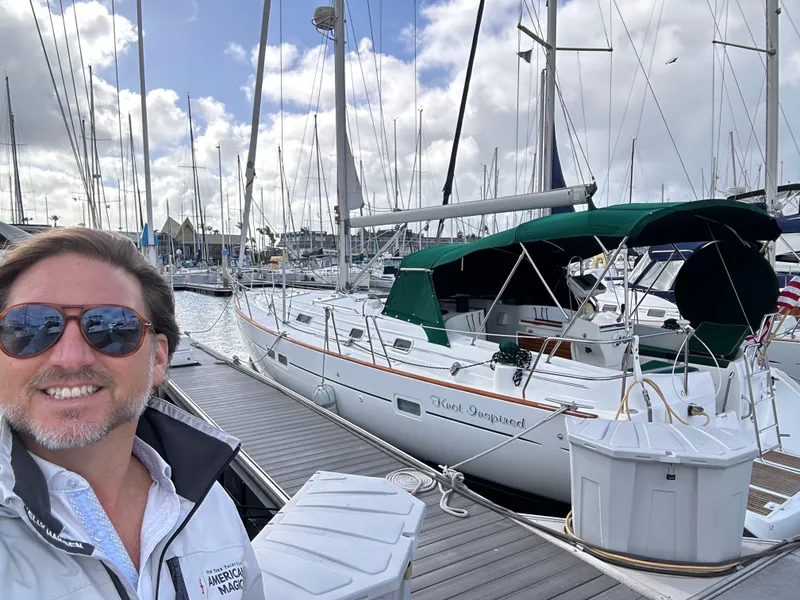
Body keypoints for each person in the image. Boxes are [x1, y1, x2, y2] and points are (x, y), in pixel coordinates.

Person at [0, 228, 265, 599]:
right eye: (27, 327)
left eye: (113, 327)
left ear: (157, 359)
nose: (71, 357)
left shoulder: (208, 502)